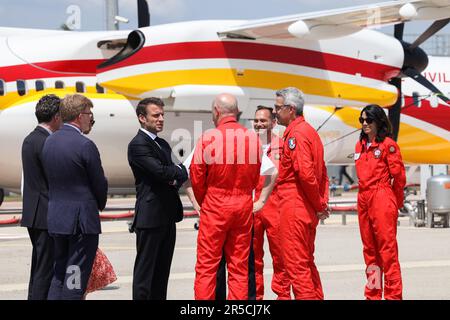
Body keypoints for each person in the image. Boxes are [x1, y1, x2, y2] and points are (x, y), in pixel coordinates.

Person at [190, 93, 262, 300]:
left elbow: (196, 176)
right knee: (239, 267)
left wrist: (206, 201)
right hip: (243, 204)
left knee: (207, 266)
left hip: (216, 204)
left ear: (216, 111)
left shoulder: (208, 138)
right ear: (236, 112)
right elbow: (257, 174)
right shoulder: (253, 138)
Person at [43, 94, 108, 300]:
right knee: (76, 279)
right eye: (89, 114)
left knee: (60, 274)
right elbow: (99, 183)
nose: (91, 118)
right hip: (80, 223)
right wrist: (100, 203)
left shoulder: (49, 142)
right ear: (80, 116)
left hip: (57, 218)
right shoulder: (85, 145)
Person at [128, 97, 188, 300]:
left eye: (162, 115)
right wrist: (174, 174)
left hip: (168, 216)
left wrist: (174, 175)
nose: (161, 119)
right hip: (150, 218)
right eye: (156, 115)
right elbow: (163, 172)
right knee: (145, 275)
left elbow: (178, 174)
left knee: (162, 274)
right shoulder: (138, 145)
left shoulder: (161, 143)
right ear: (142, 118)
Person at [275, 87, 329, 300]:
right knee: (306, 262)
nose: (275, 112)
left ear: (290, 109)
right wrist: (321, 202)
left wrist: (319, 204)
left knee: (296, 266)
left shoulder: (295, 135)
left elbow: (306, 174)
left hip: (295, 204)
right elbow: (322, 172)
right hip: (305, 206)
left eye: (278, 108)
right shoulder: (310, 132)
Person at [354, 104, 405, 300]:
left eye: (369, 120)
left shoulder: (388, 145)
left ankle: (393, 296)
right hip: (364, 197)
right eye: (362, 120)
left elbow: (399, 178)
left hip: (381, 196)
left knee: (388, 251)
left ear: (378, 121)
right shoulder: (360, 146)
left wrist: (395, 202)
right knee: (370, 252)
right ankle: (373, 294)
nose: (365, 124)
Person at [21, 94, 62, 300]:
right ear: (56, 117)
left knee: (39, 265)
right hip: (46, 213)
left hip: (34, 213)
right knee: (45, 269)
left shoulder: (31, 138)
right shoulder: (47, 142)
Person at [252, 105, 290, 300]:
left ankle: (282, 295)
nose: (259, 124)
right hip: (252, 207)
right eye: (256, 120)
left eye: (263, 120)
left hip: (275, 206)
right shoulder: (247, 146)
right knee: (253, 258)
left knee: (280, 257)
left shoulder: (283, 146)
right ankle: (256, 298)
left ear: (273, 123)